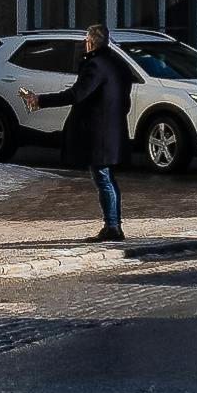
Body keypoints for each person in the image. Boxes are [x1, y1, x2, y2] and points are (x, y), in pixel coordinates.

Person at [61, 20, 135, 241]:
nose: (85, 44)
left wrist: (39, 101)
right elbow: (124, 98)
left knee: (103, 178)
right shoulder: (118, 64)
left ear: (91, 42)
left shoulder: (95, 65)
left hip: (99, 132)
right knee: (107, 177)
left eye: (86, 40)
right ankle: (113, 225)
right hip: (113, 129)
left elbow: (77, 94)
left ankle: (113, 226)